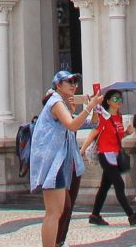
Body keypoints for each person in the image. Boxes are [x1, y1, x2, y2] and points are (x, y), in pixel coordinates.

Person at [31, 72, 98, 247]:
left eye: (75, 81)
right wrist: (89, 106)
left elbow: (88, 123)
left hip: (60, 163)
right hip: (53, 163)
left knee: (60, 209)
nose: (73, 84)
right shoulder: (55, 102)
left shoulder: (62, 105)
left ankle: (56, 243)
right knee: (54, 212)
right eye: (69, 81)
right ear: (58, 85)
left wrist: (95, 109)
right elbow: (72, 125)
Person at [80, 88, 136, 227]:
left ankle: (95, 215)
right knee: (119, 184)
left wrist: (127, 132)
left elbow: (117, 137)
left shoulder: (118, 117)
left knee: (104, 187)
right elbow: (93, 134)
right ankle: (131, 215)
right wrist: (82, 151)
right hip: (105, 155)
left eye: (120, 99)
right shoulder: (103, 117)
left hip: (115, 155)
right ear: (107, 101)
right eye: (115, 99)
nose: (119, 101)